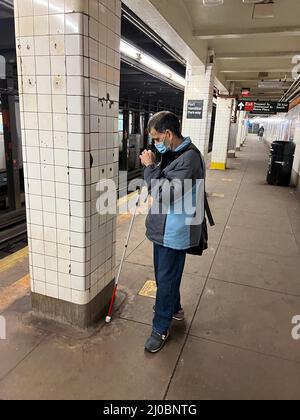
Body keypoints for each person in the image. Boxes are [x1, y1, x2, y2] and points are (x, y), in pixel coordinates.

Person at [139, 111, 205, 353]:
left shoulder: (189, 159)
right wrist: (155, 166)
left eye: (156, 138)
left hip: (174, 231)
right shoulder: (173, 153)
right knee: (165, 276)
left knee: (165, 280)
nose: (155, 143)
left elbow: (166, 195)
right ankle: (174, 309)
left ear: (168, 134)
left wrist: (149, 168)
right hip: (164, 228)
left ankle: (160, 328)